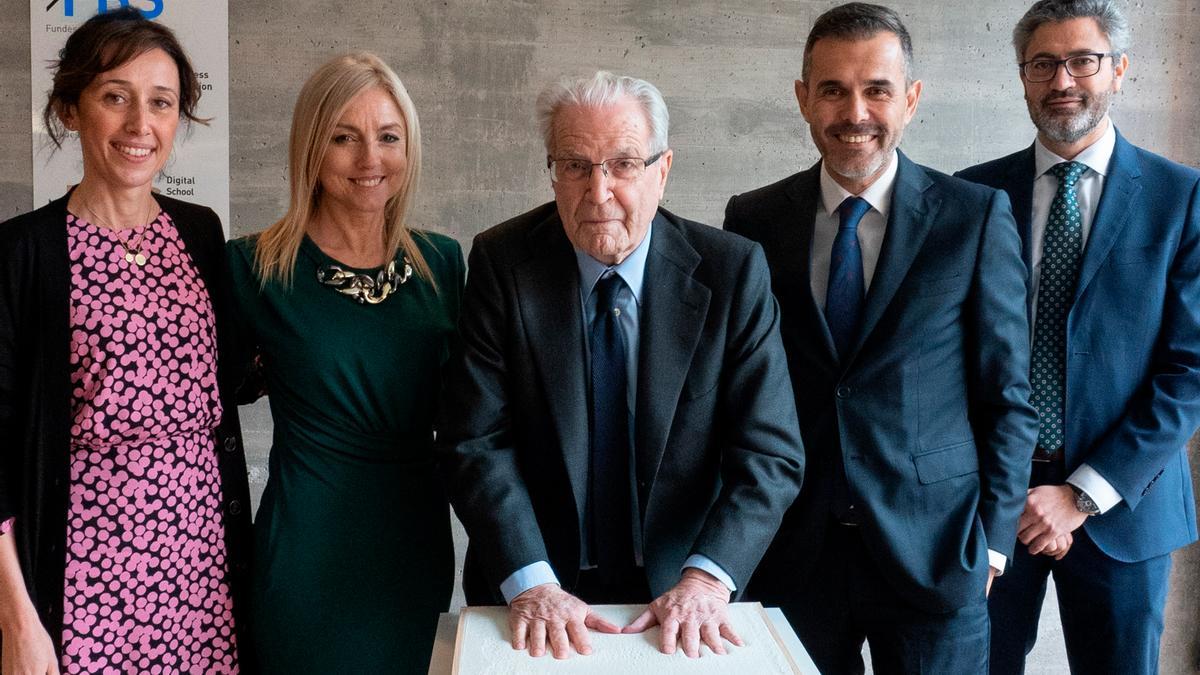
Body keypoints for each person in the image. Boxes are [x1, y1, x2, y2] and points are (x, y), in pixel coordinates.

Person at [437, 70, 804, 660]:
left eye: (624, 164)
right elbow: (474, 440)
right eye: (575, 165)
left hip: (685, 591)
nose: (598, 191)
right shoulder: (504, 263)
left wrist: (707, 579)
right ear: (553, 171)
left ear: (663, 169)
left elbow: (770, 453)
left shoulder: (732, 272)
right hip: (536, 588)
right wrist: (532, 584)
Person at [723, 3, 1039, 672]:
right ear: (804, 99)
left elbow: (1008, 396)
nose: (854, 112)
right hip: (792, 558)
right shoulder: (752, 220)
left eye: (877, 89)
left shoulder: (974, 218)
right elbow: (739, 394)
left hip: (935, 557)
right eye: (833, 89)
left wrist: (991, 544)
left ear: (912, 99)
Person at [0, 8, 251, 674]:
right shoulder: (23, 252)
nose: (142, 124)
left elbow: (233, 379)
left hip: (201, 578)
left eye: (161, 103)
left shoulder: (200, 233)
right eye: (117, 97)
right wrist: (17, 617)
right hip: (81, 578)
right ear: (73, 109)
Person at [956, 1, 1200, 672]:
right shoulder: (971, 197)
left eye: (1082, 60)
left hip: (1127, 508)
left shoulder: (1182, 199)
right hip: (991, 503)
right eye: (1043, 64)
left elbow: (1191, 371)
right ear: (1023, 78)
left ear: (1119, 70)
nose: (1062, 79)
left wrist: (1081, 494)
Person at [226, 52, 464, 674]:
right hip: (306, 545)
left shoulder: (444, 264)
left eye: (388, 138)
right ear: (311, 146)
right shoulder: (254, 267)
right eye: (344, 138)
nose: (370, 160)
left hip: (414, 544)